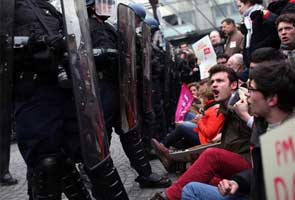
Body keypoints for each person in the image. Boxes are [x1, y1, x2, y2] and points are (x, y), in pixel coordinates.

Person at [13, 0, 127, 199]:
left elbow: (74, 40)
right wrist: (32, 44)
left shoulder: (47, 8)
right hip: (33, 93)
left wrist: (65, 43)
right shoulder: (7, 7)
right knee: (46, 163)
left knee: (94, 154)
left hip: (68, 90)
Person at [86, 0, 171, 189]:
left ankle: (145, 174)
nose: (108, 7)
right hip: (100, 89)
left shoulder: (107, 27)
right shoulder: (85, 26)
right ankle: (97, 180)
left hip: (118, 86)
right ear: (91, 6)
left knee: (130, 132)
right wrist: (104, 54)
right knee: (102, 137)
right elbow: (81, 54)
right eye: (103, 3)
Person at [182, 59, 295, 200]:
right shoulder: (262, 124)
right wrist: (237, 182)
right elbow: (260, 174)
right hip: (250, 187)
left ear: (272, 99)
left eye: (251, 89)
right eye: (212, 82)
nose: (247, 94)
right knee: (192, 187)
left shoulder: (286, 137)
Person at [150, 65, 252, 200]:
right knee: (201, 177)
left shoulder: (243, 103)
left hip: (249, 164)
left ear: (234, 85)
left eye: (220, 81)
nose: (214, 85)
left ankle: (168, 197)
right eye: (212, 82)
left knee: (211, 155)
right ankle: (175, 163)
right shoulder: (224, 105)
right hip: (236, 161)